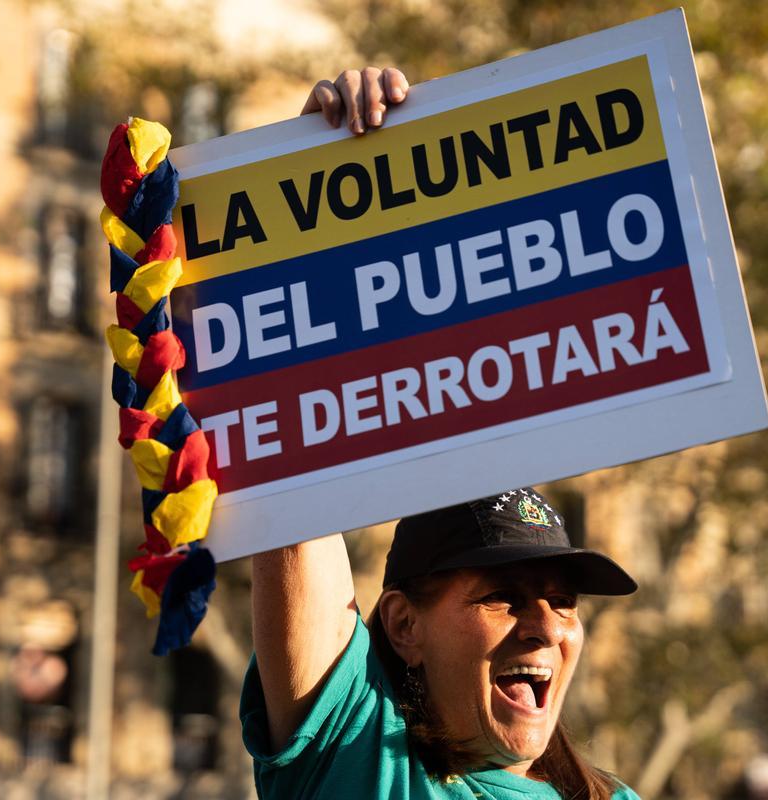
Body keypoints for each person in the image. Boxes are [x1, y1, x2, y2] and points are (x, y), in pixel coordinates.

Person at [240, 68, 641, 800]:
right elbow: (292, 476)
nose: (545, 628)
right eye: (502, 595)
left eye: (561, 601)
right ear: (403, 626)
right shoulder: (359, 752)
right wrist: (306, 175)